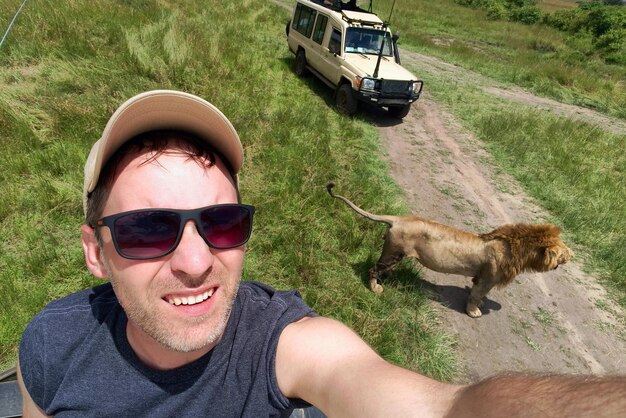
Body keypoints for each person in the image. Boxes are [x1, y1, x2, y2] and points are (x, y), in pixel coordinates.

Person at [17, 90, 626, 417]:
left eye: (223, 222)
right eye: (149, 230)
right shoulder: (49, 345)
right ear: (95, 251)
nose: (197, 262)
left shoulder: (284, 345)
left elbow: (447, 410)